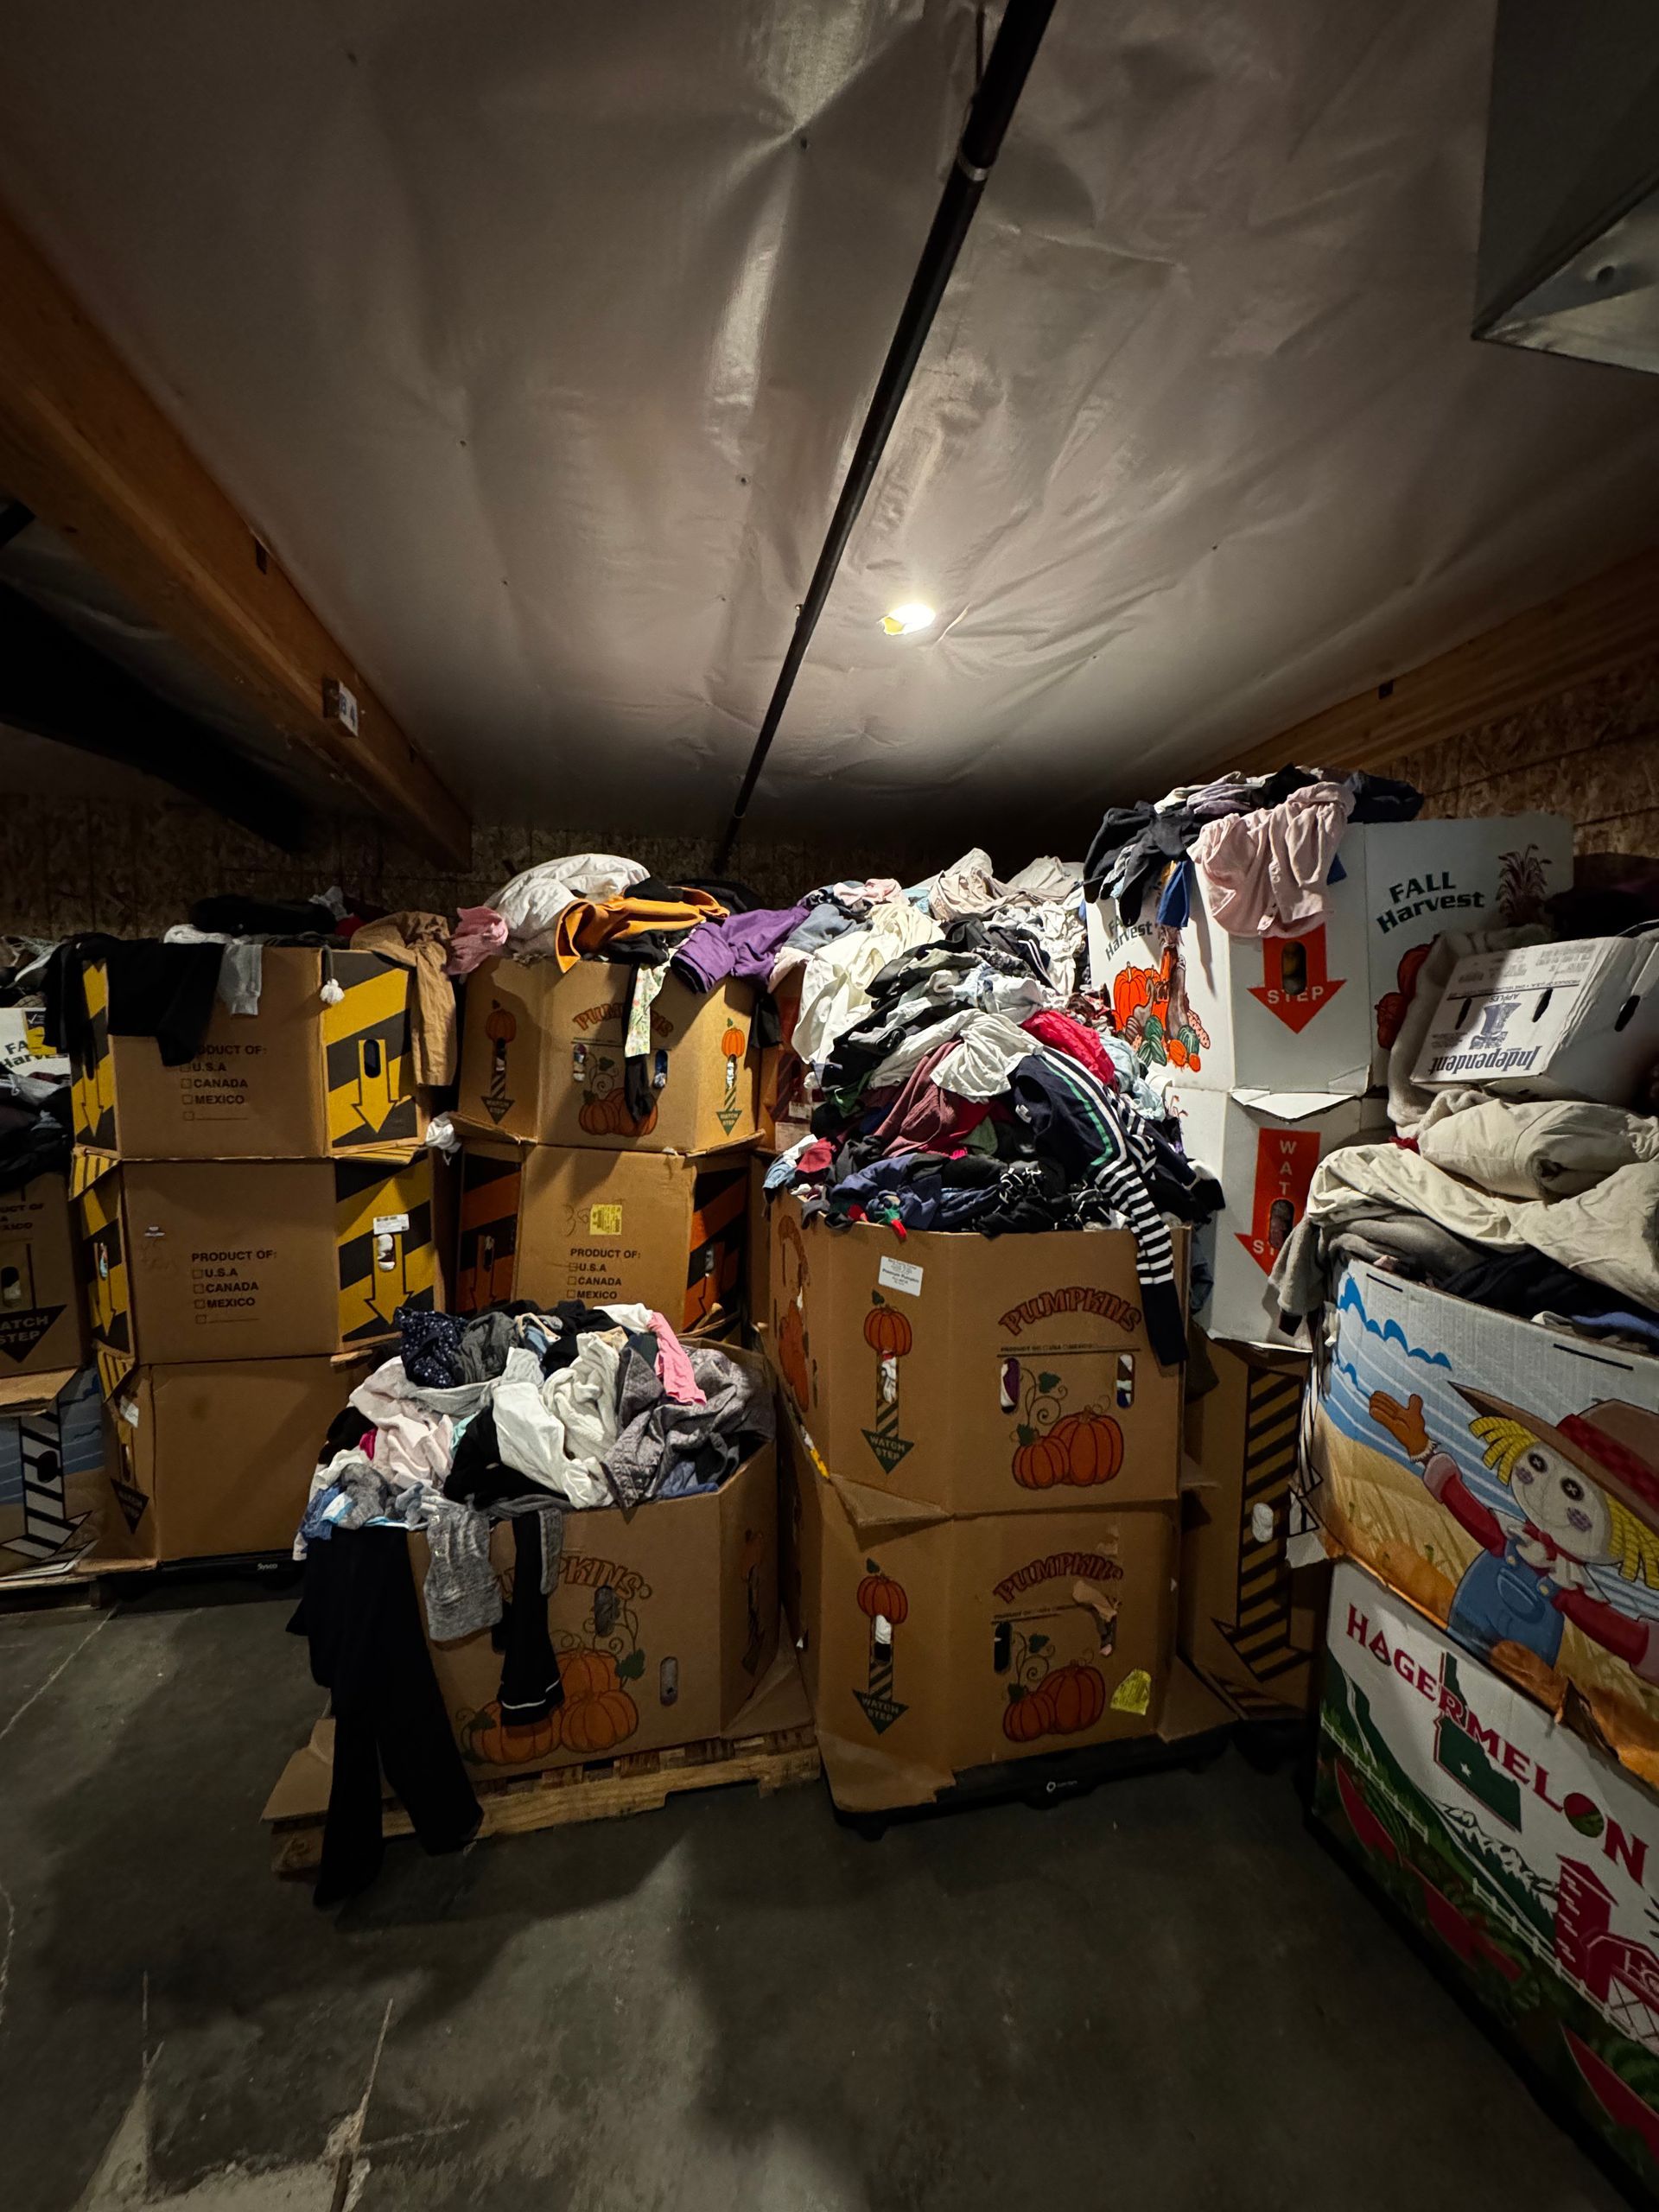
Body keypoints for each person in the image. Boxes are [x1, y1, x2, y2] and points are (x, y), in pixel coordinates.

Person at [1368, 1386, 1659, 1678]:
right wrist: (1422, 1449)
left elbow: (1604, 1625)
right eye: (1537, 1463)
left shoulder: (1567, 1585)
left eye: (1573, 1491)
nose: (1546, 1490)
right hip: (1462, 1618)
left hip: (1527, 1660)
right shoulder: (1514, 1537)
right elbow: (1476, 1519)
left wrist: (1642, 1645)